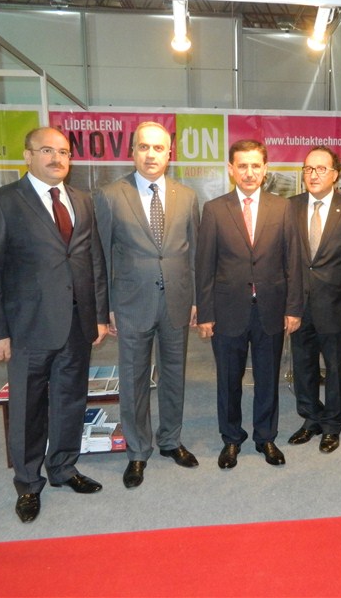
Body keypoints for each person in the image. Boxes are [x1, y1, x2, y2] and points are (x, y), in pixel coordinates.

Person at [0, 127, 109, 523]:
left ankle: (63, 468)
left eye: (63, 152)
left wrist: (99, 315)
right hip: (27, 327)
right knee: (27, 408)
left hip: (77, 323)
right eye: (47, 150)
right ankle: (29, 483)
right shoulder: (2, 202)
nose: (56, 158)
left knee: (71, 400)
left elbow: (94, 261)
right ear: (28, 155)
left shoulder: (82, 200)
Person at [93, 122, 200, 490]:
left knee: (174, 374)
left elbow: (194, 253)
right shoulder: (109, 196)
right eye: (143, 147)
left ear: (170, 154)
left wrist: (195, 299)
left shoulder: (187, 197)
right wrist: (106, 306)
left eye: (158, 148)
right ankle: (138, 450)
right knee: (134, 379)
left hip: (176, 302)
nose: (151, 154)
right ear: (132, 152)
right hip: (130, 304)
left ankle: (170, 439)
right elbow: (101, 256)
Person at [196, 139, 303, 469]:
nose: (249, 172)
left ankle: (265, 436)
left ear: (265, 169)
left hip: (271, 309)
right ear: (231, 169)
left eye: (256, 165)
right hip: (228, 311)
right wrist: (205, 313)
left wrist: (293, 307)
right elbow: (204, 265)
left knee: (268, 378)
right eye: (242, 165)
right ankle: (231, 438)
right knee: (228, 380)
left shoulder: (282, 208)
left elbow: (293, 261)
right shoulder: (214, 209)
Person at [287, 146, 341, 454]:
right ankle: (310, 418)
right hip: (298, 306)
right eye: (308, 169)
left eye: (321, 169)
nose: (313, 175)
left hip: (337, 306)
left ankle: (333, 424)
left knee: (337, 368)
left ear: (335, 174)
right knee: (303, 365)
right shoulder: (290, 207)